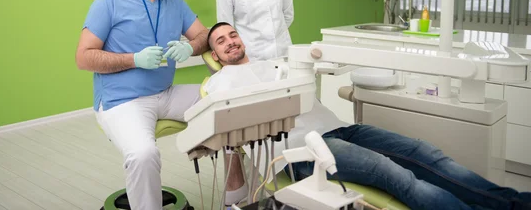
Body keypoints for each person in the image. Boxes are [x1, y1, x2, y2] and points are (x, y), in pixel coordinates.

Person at [204, 22, 531, 210]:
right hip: (306, 150)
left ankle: (515, 203)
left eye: (232, 35)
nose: (230, 42)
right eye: (220, 41)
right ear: (214, 55)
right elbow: (224, 127)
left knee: (425, 154)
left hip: (341, 129)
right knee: (396, 175)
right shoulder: (219, 82)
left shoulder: (278, 62)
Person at [75, 0, 209, 210]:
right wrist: (134, 59)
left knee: (226, 99)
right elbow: (84, 57)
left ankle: (236, 193)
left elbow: (204, 36)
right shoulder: (110, 1)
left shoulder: (174, 2)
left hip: (166, 94)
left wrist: (190, 47)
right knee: (143, 154)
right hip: (122, 101)